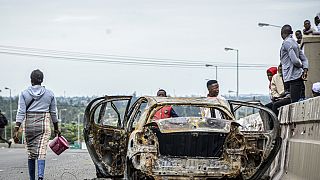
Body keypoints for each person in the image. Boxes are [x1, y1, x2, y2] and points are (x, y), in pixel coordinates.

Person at [13, 69, 60, 180]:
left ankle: (32, 178)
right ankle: (40, 176)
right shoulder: (50, 94)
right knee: (41, 152)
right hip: (43, 125)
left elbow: (21, 112)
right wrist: (56, 128)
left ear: (31, 80)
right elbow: (53, 113)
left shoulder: (24, 93)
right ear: (42, 80)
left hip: (29, 125)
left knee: (31, 153)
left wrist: (16, 128)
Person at [280, 24, 309, 103]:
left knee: (294, 102)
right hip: (297, 77)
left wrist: (301, 67)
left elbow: (295, 60)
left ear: (283, 33)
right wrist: (305, 69)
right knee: (300, 100)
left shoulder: (287, 43)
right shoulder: (294, 43)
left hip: (292, 77)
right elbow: (304, 58)